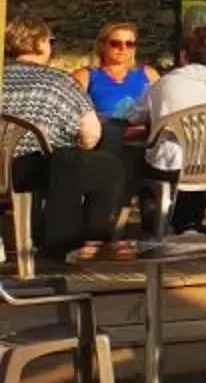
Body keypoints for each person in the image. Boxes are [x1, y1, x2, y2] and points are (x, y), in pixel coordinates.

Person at [3, 18, 130, 262]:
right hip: (36, 170)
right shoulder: (59, 81)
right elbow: (91, 134)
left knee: (66, 162)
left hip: (2, 168)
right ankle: (88, 240)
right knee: (108, 166)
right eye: (51, 41)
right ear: (41, 44)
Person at [141, 24, 206, 231]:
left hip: (176, 168)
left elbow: (140, 115)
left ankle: (155, 223)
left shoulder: (166, 83)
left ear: (183, 54)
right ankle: (190, 222)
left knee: (141, 159)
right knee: (196, 157)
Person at [83, 21, 153, 150]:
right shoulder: (86, 76)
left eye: (129, 44)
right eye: (115, 43)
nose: (123, 48)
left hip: (144, 143)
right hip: (104, 143)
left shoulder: (149, 74)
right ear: (103, 45)